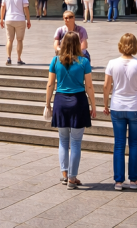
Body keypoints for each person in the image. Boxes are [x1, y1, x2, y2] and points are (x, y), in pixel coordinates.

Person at [44, 32, 96, 190]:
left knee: (63, 140)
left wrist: (47, 104)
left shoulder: (55, 60)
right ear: (78, 44)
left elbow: (50, 84)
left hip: (60, 101)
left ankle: (65, 174)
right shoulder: (84, 62)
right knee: (76, 142)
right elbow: (89, 86)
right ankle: (73, 178)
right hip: (78, 101)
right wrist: (94, 105)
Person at [103, 33, 137, 190]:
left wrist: (105, 104)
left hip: (117, 106)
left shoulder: (112, 63)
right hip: (136, 107)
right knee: (134, 143)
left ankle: (118, 181)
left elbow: (106, 86)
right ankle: (134, 180)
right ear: (135, 45)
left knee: (119, 144)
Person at [0, 0, 31, 66]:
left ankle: (9, 58)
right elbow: (26, 8)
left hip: (9, 19)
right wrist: (28, 20)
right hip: (20, 19)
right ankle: (18, 59)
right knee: (19, 40)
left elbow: (2, 7)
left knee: (9, 39)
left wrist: (1, 19)